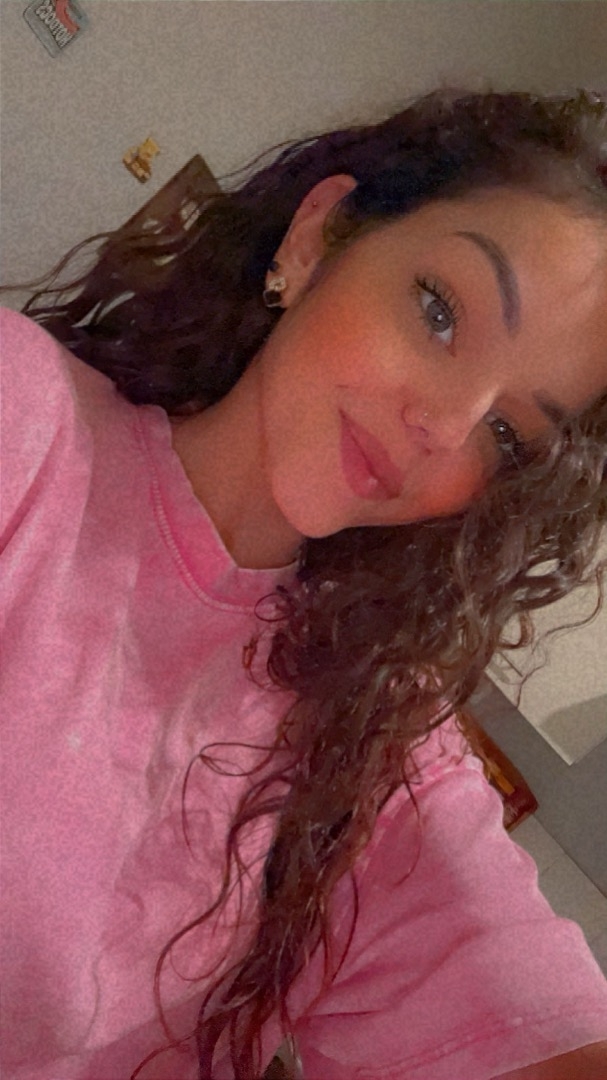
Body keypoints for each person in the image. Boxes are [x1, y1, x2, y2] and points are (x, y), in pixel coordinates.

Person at [1, 87, 607, 1080]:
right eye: (439, 311)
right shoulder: (22, 421)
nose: (444, 427)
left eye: (505, 433)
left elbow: (508, 990)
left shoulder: (375, 749)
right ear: (317, 237)